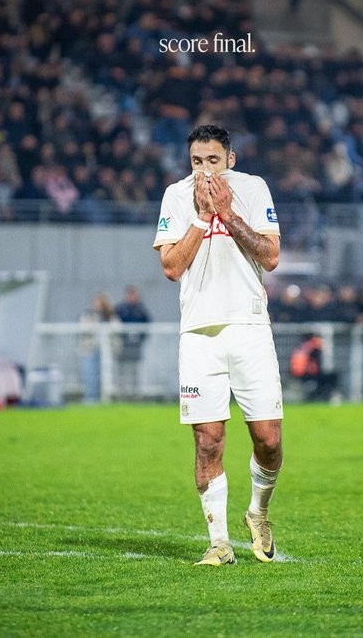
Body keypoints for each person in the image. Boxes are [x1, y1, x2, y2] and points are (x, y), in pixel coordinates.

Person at [153, 123, 283, 566]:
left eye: (213, 160)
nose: (205, 170)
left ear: (231, 158)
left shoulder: (253, 188)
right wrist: (201, 218)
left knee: (268, 439)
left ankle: (258, 512)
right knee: (208, 441)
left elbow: (271, 256)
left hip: (249, 326)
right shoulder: (176, 195)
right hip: (198, 334)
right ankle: (219, 543)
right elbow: (172, 267)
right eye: (196, 161)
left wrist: (227, 215)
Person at [113, 286, 151, 401]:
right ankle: (121, 394)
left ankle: (135, 394)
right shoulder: (120, 309)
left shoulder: (141, 310)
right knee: (122, 370)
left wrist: (140, 339)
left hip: (135, 346)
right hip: (123, 345)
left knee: (135, 370)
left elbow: (147, 325)